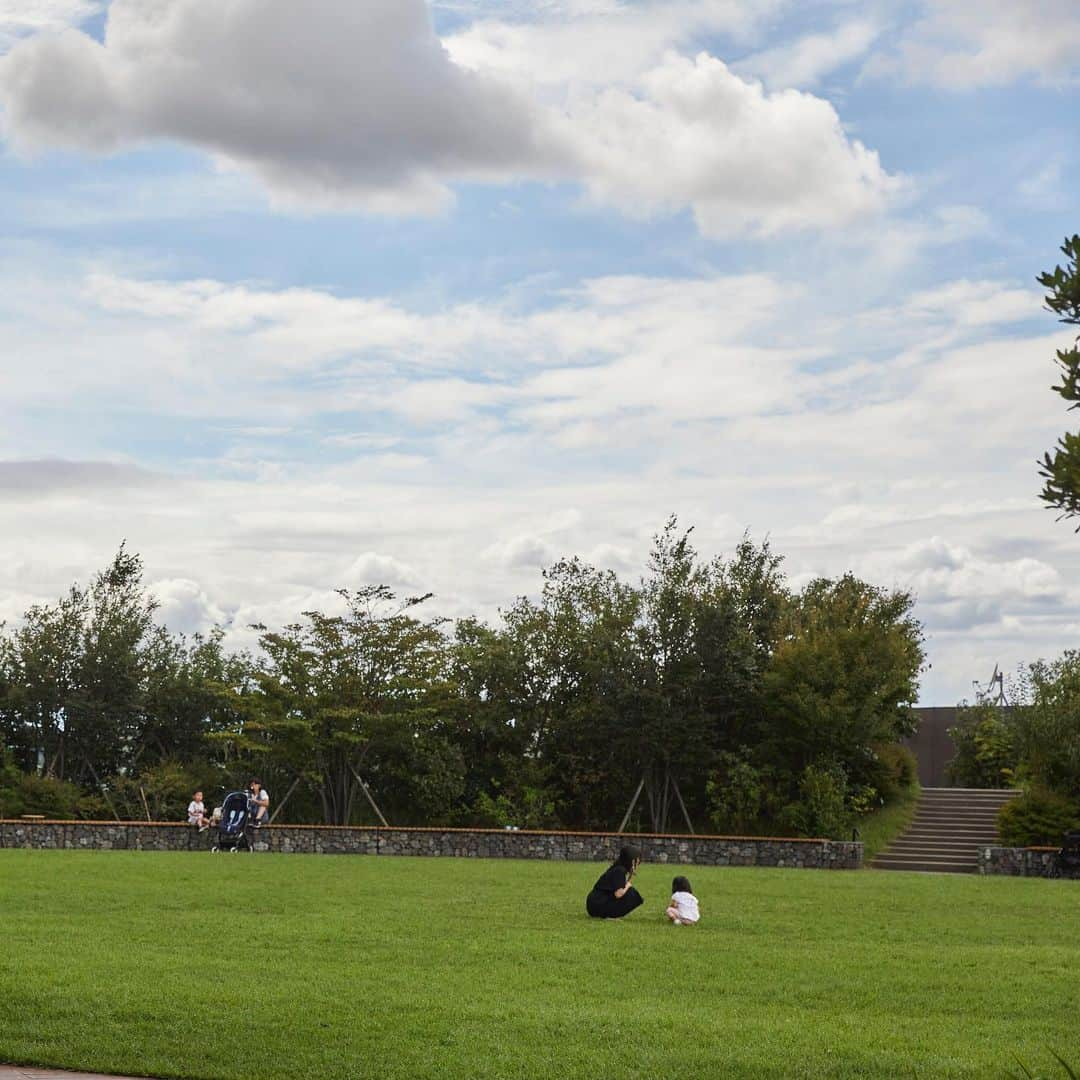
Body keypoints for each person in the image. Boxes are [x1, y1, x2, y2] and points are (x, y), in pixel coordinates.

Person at [586, 845, 644, 919]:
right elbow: (618, 894)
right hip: (597, 905)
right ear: (631, 860)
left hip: (594, 903)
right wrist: (628, 885)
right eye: (636, 861)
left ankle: (609, 913)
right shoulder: (619, 871)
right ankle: (610, 915)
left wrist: (630, 877)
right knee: (632, 894)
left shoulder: (617, 868)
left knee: (630, 891)